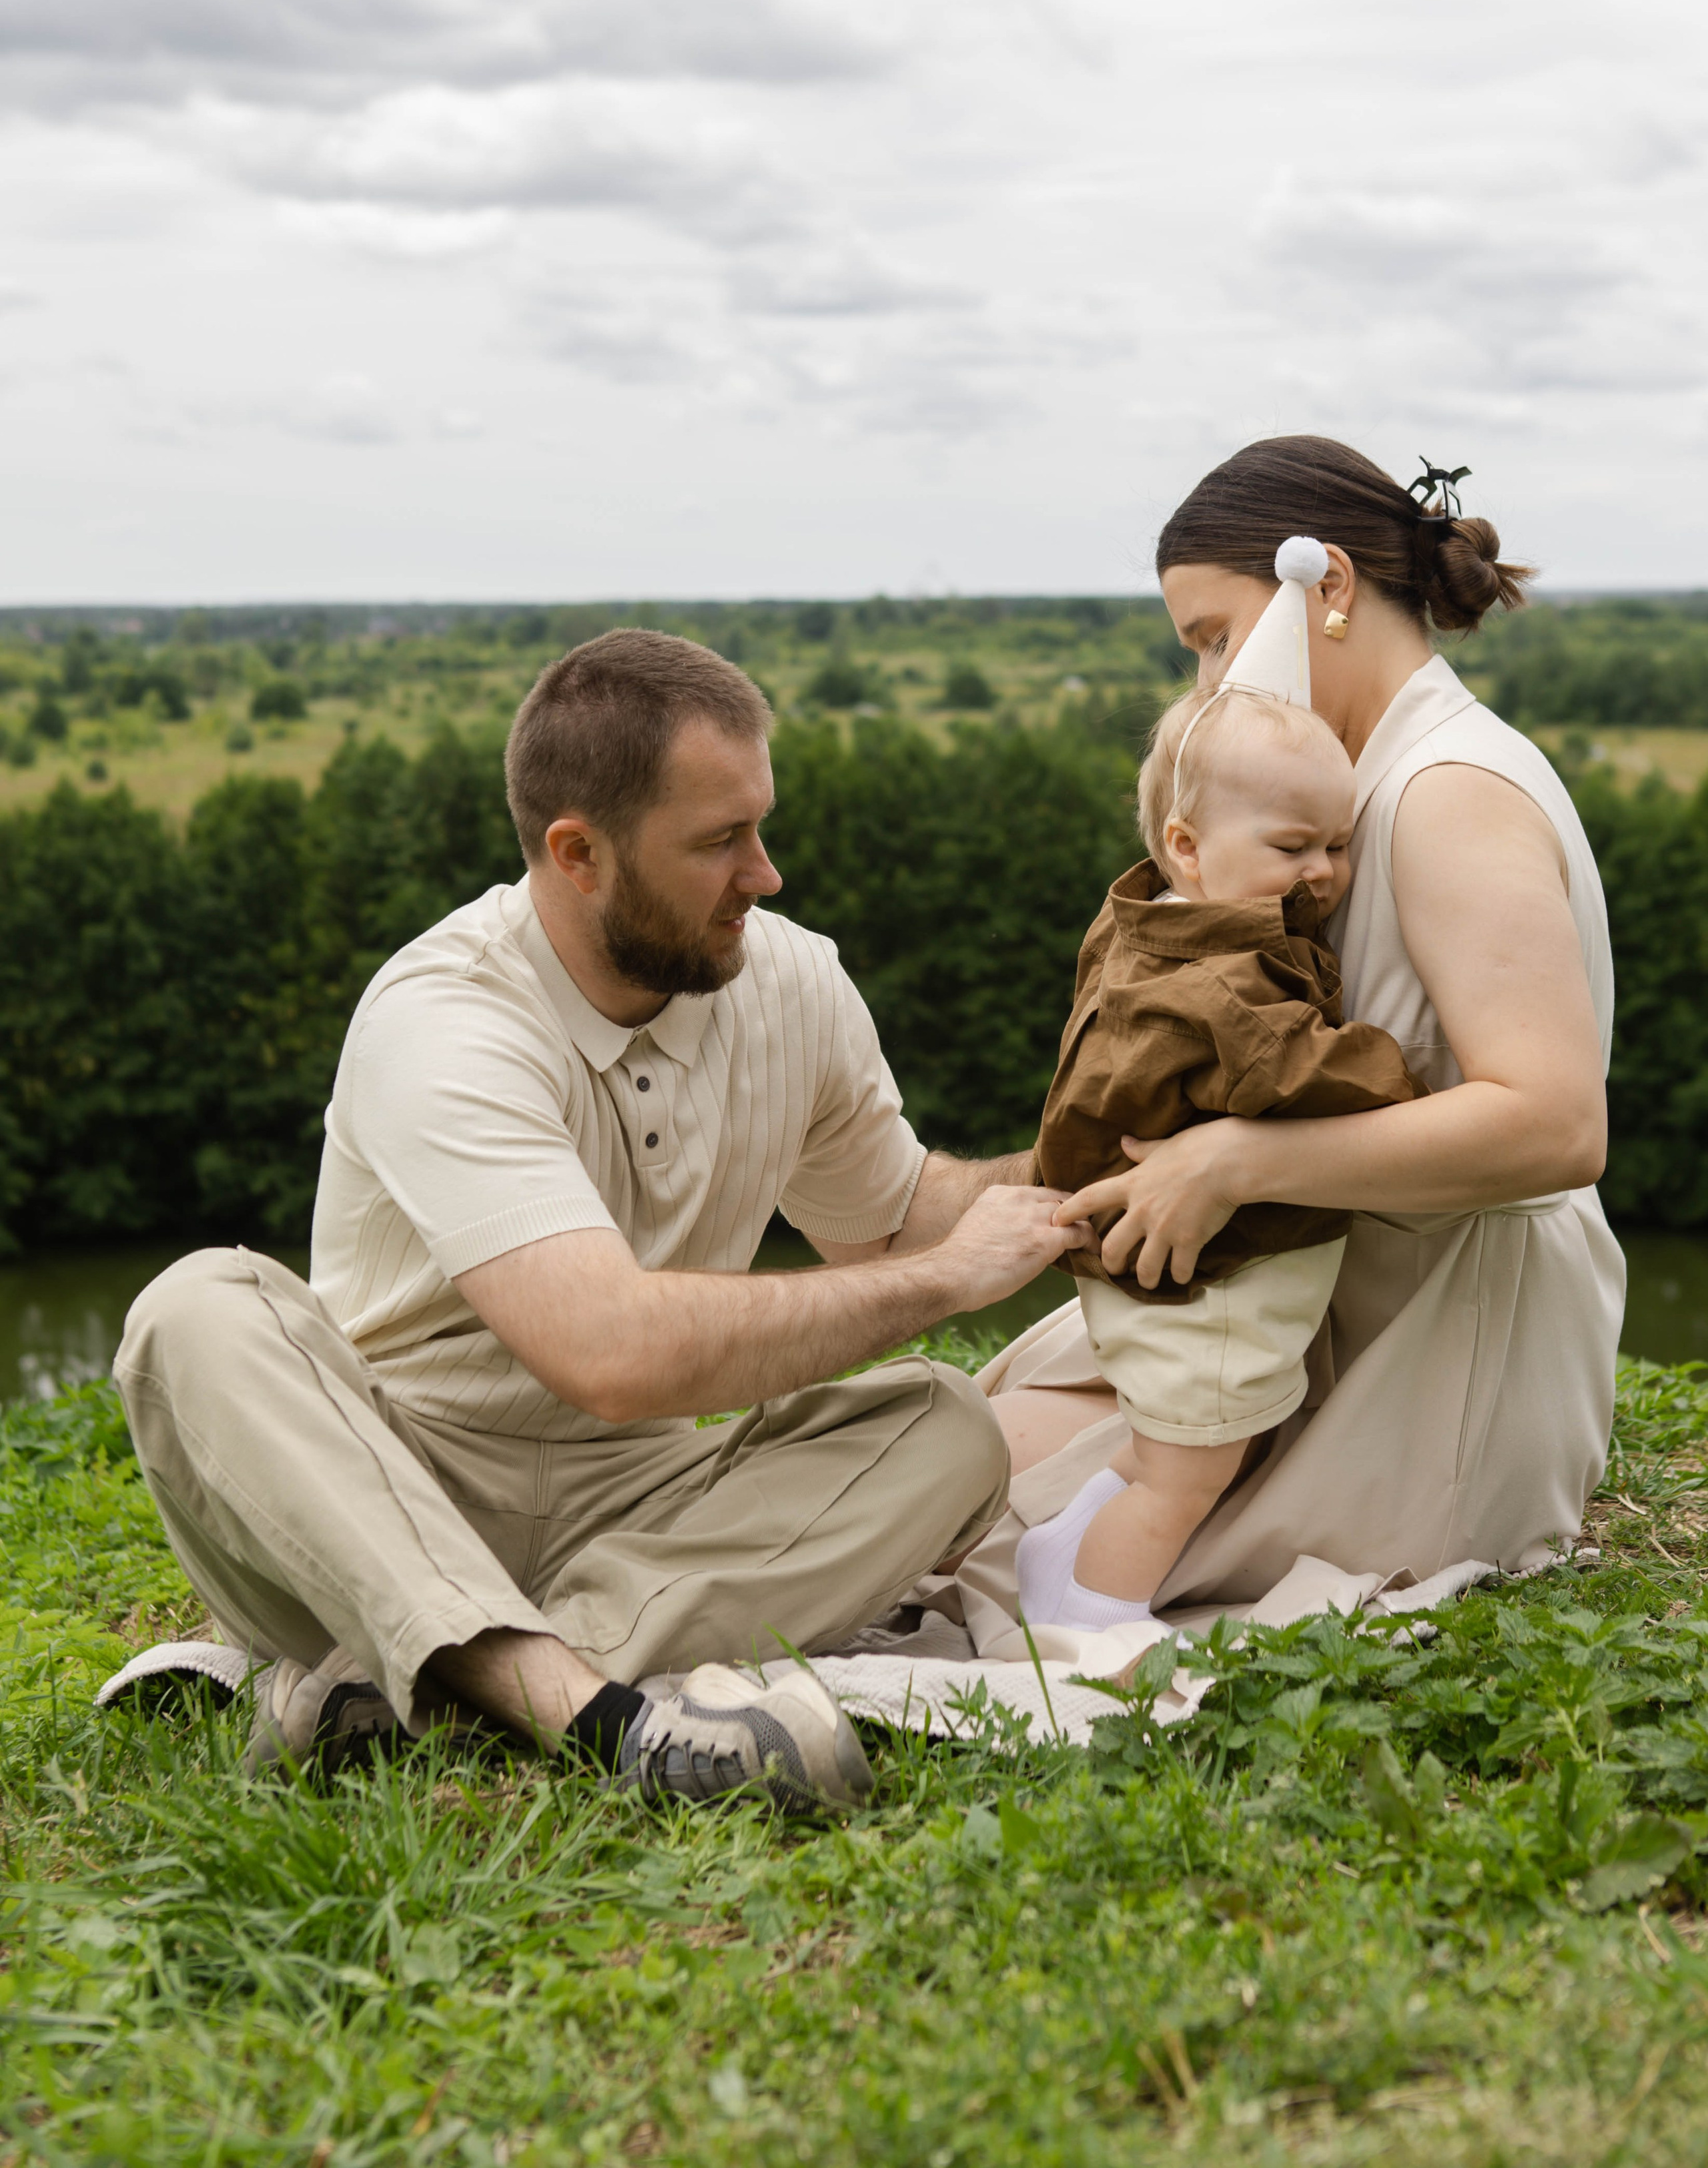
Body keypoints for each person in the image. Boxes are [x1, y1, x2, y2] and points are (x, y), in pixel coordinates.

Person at [113, 631, 1088, 1808]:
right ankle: (599, 1716)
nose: (765, 873)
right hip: (384, 1487)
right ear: (577, 853)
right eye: (720, 841)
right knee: (197, 1309)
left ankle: (400, 1691)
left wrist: (1100, 1153)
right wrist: (943, 1284)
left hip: (640, 1512)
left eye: (759, 826)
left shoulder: (790, 982)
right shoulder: (445, 1019)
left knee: (945, 1425)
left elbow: (894, 1224)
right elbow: (610, 1355)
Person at [940, 436, 1621, 1656]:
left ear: (1334, 589)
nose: (1208, 681)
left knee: (972, 1526)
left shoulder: (1446, 791)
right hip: (1314, 1280)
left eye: (1215, 635)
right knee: (949, 1451)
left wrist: (1236, 1164)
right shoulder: (1343, 791)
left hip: (1441, 1330)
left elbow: (1559, 1128)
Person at [1015, 683, 1418, 1636]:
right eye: (1291, 849)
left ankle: (1056, 1554)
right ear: (1188, 846)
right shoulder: (1233, 987)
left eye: (1336, 844)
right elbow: (1322, 1080)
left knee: (1160, 1449)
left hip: (1135, 1258)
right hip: (1214, 1283)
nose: (1323, 872)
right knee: (1190, 1473)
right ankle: (1096, 1618)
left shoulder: (1140, 918)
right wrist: (1403, 1063)